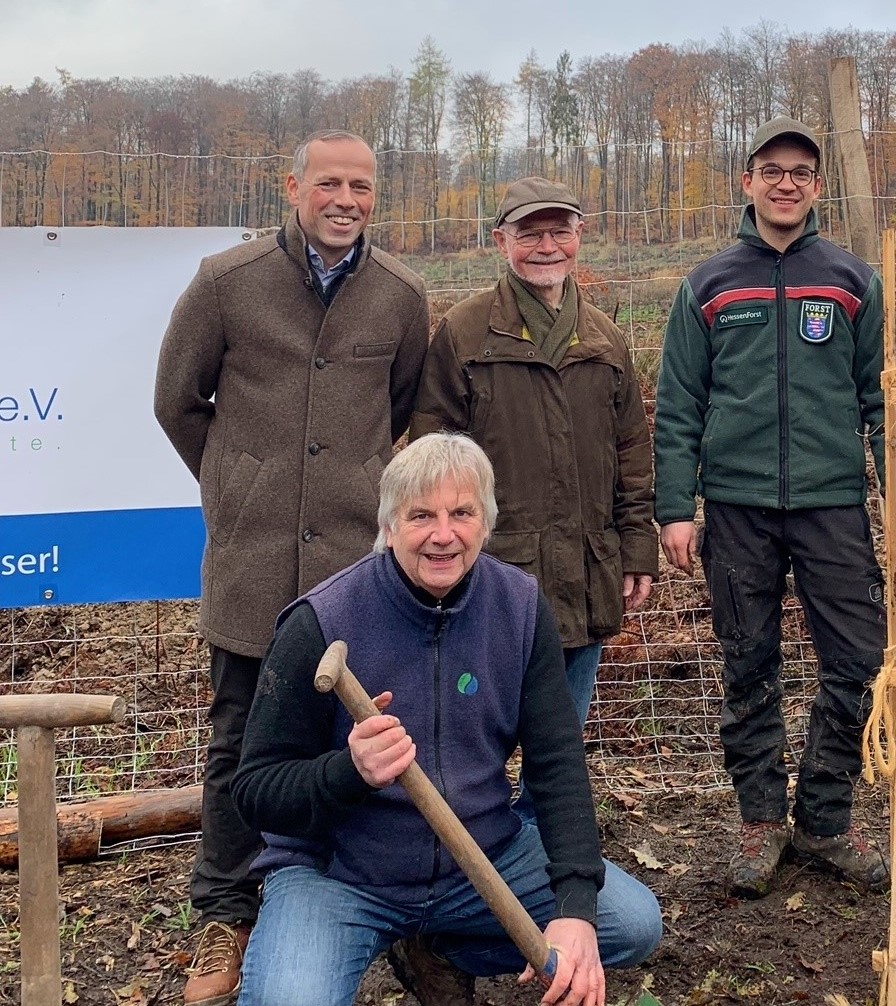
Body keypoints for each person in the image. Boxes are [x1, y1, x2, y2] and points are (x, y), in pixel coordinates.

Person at [230, 432, 662, 1006]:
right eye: (421, 516)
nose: (443, 534)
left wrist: (575, 908)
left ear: (485, 523)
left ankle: (441, 948)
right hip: (342, 878)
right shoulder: (320, 622)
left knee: (630, 925)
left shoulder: (519, 607)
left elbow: (558, 766)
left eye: (462, 513)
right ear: (388, 528)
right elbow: (255, 790)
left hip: (481, 861)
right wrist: (348, 771)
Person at [153, 128, 431, 1004]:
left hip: (354, 570)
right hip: (251, 564)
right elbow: (177, 401)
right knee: (239, 741)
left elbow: (406, 410)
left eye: (362, 185)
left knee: (368, 735)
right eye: (329, 184)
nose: (346, 199)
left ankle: (387, 913)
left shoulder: (400, 297)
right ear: (293, 187)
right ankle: (227, 918)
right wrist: (244, 481)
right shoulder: (225, 285)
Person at [654, 116, 889, 898]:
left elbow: (879, 399)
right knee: (747, 659)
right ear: (747, 181)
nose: (785, 182)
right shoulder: (709, 285)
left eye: (800, 171)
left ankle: (823, 817)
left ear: (817, 187)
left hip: (831, 505)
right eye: (770, 169)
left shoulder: (854, 282)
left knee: (857, 657)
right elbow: (680, 403)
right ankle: (760, 820)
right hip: (738, 507)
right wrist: (674, 507)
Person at [410, 176, 655, 736]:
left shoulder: (605, 339)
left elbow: (632, 455)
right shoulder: (465, 334)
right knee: (476, 728)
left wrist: (636, 547)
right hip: (492, 568)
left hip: (588, 568)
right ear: (501, 241)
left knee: (562, 735)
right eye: (529, 233)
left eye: (560, 231)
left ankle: (542, 825)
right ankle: (479, 823)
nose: (547, 246)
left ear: (580, 235)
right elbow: (431, 459)